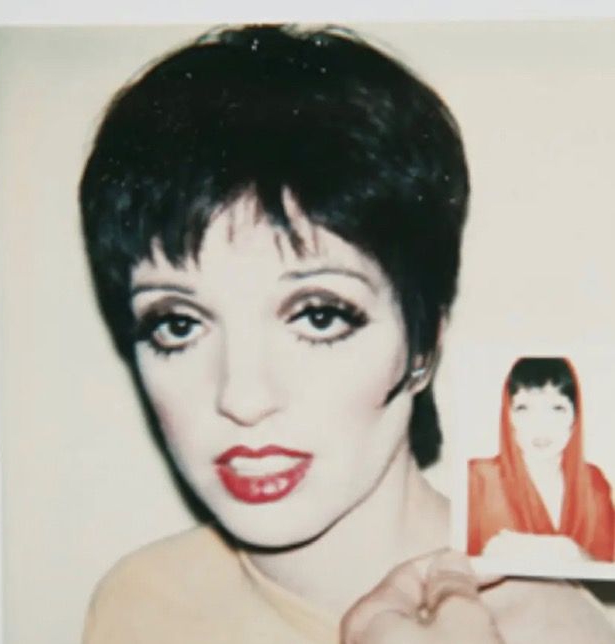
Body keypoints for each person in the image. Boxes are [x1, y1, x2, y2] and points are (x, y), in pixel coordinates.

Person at [79, 24, 615, 643]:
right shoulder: (139, 602)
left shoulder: (547, 630)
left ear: (423, 343)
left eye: (318, 316)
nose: (243, 398)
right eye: (178, 324)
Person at [468, 357, 614, 562]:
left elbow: (608, 571)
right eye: (524, 408)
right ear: (507, 416)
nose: (541, 425)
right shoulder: (478, 478)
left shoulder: (593, 482)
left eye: (557, 408)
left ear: (575, 416)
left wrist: (572, 553)